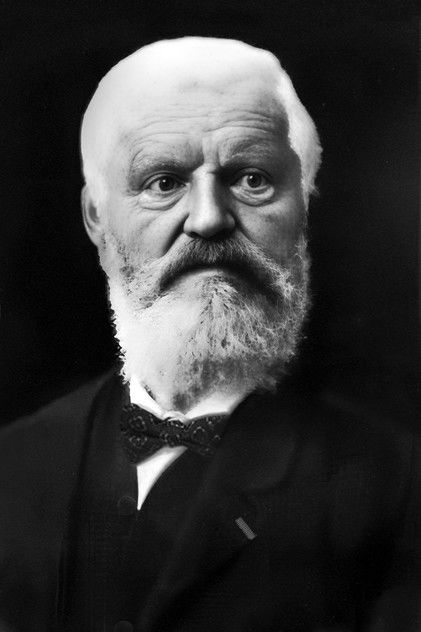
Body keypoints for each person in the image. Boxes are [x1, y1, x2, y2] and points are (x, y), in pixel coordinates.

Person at [0, 37, 419, 632]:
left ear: (303, 206)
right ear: (97, 218)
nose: (209, 218)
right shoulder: (13, 464)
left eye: (251, 178)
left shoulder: (395, 488)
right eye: (163, 182)